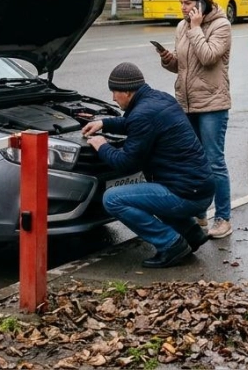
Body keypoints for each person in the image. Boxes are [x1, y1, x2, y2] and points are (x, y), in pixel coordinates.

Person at [80, 63, 214, 268]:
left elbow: (126, 163)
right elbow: (132, 123)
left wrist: (102, 146)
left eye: (114, 92)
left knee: (113, 199)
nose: (113, 98)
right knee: (150, 194)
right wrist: (104, 123)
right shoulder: (160, 99)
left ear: (127, 91)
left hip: (187, 195)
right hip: (199, 188)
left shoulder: (142, 114)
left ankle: (170, 244)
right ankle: (191, 233)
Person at [156, 0, 234, 239]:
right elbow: (183, 66)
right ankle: (199, 212)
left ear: (201, 3)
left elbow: (208, 57)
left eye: (187, 3)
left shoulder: (221, 25)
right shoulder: (182, 26)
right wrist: (168, 60)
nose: (182, 8)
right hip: (186, 103)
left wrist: (196, 28)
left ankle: (223, 218)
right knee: (192, 163)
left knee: (214, 162)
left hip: (212, 104)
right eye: (180, 3)